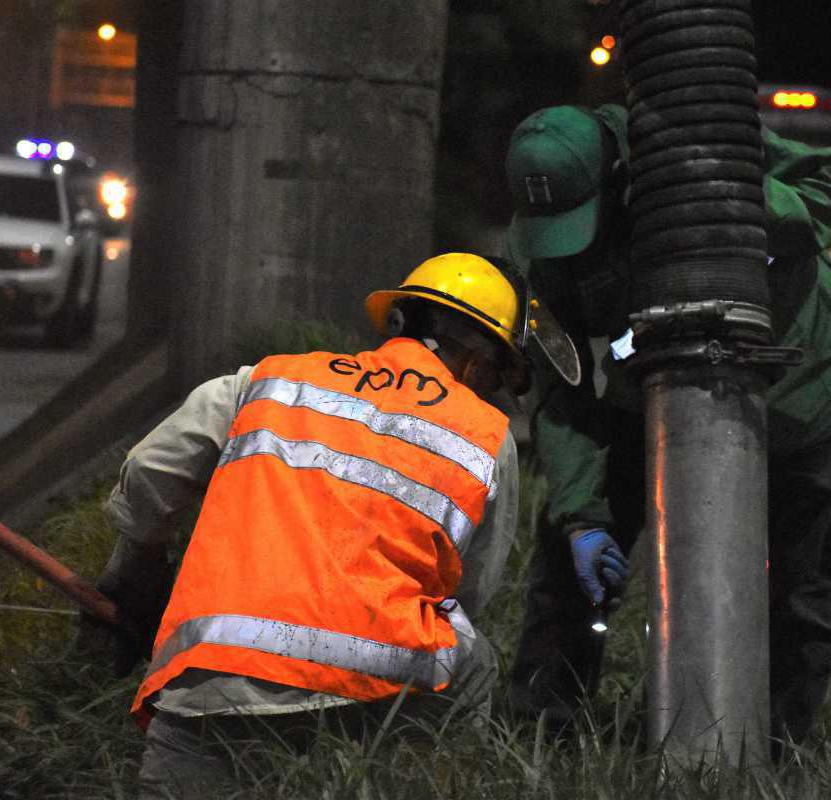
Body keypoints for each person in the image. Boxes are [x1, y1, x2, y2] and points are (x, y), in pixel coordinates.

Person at [85, 253, 531, 798]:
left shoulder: (267, 381)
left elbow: (151, 472)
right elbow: (470, 592)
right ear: (478, 365)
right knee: (473, 661)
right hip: (374, 692)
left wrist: (138, 573)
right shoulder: (486, 436)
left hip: (211, 670)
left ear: (398, 321)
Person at [503, 104, 831, 752]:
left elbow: (821, 195)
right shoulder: (545, 252)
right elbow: (561, 384)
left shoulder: (693, 123)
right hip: (646, 390)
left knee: (796, 592)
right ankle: (541, 735)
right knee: (567, 560)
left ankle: (780, 755)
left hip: (798, 388)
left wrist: (723, 188)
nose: (573, 249)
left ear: (618, 175)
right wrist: (583, 516)